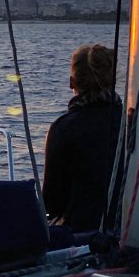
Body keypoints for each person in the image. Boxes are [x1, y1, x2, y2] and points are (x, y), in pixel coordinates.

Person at [43, 44, 122, 232]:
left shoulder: (63, 128)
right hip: (124, 228)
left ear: (72, 83)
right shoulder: (132, 124)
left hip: (80, 233)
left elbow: (51, 203)